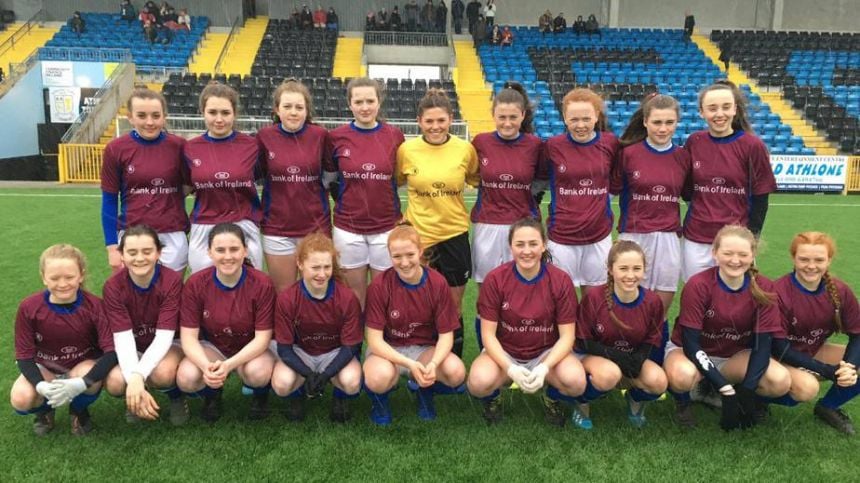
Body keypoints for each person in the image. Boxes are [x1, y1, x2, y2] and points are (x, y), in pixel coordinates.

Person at [664, 225, 791, 430]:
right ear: (715, 253)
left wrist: (748, 389)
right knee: (682, 375)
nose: (735, 260)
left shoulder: (764, 287)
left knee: (780, 381)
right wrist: (724, 387)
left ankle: (715, 388)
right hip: (690, 353)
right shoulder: (699, 285)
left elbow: (763, 346)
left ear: (753, 255)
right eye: (728, 253)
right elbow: (691, 343)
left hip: (733, 357)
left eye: (742, 254)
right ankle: (685, 401)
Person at [467, 218, 586, 426]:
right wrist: (510, 367)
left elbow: (568, 336)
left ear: (544, 245)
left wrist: (545, 367)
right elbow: (487, 335)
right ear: (510, 246)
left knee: (576, 382)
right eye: (519, 244)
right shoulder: (495, 279)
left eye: (533, 244)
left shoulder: (560, 280)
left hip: (545, 352)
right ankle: (495, 396)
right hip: (506, 351)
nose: (527, 251)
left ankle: (551, 396)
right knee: (477, 383)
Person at [397, 89, 479, 358]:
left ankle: (451, 365)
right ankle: (420, 357)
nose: (435, 127)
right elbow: (394, 184)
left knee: (453, 307)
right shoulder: (406, 150)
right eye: (429, 121)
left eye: (441, 120)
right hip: (420, 241)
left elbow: (477, 179)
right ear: (419, 121)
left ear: (451, 119)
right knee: (420, 305)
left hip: (455, 237)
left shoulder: (465, 149)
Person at [362, 224, 466, 425]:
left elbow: (446, 335)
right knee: (377, 377)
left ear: (420, 251)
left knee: (456, 372)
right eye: (397, 256)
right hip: (388, 350)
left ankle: (423, 390)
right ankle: (380, 403)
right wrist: (410, 364)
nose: (404, 262)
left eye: (410, 254)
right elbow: (374, 340)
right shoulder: (379, 286)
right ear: (389, 256)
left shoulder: (437, 283)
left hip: (424, 350)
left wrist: (433, 365)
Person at [11, 245, 117, 436]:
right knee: (21, 398)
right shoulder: (29, 307)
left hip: (80, 367)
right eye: (54, 278)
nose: (62, 284)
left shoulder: (95, 306)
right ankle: (45, 410)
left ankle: (78, 410)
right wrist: (40, 385)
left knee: (91, 376)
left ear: (81, 275)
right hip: (47, 368)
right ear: (43, 277)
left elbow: (112, 352)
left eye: (69, 277)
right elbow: (24, 356)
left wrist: (82, 382)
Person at [176, 223, 276, 422]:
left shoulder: (262, 283)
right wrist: (207, 368)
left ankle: (260, 396)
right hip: (214, 347)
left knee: (258, 373)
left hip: (250, 348)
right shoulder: (195, 284)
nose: (228, 256)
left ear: (245, 250)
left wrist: (228, 365)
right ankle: (212, 395)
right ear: (209, 252)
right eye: (220, 250)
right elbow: (188, 338)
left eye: (234, 249)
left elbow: (263, 338)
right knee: (186, 377)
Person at [470, 82, 542, 346]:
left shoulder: (535, 145)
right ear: (493, 115)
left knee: (526, 294)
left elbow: (541, 181)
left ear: (522, 116)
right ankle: (488, 355)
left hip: (523, 228)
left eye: (513, 117)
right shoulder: (481, 142)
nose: (508, 122)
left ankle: (523, 351)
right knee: (487, 296)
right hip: (487, 227)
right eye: (502, 117)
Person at [681, 80, 776, 281]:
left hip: (735, 241)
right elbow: (687, 191)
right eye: (712, 108)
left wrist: (749, 238)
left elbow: (761, 199)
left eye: (726, 107)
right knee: (695, 294)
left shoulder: (753, 146)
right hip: (696, 238)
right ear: (701, 112)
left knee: (736, 300)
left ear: (735, 109)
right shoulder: (694, 142)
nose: (719, 114)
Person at [325, 78, 405, 309]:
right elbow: (330, 181)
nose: (365, 107)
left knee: (385, 297)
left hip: (386, 228)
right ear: (349, 104)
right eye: (358, 101)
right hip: (348, 230)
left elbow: (397, 178)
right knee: (354, 297)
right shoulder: (336, 137)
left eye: (370, 100)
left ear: (379, 102)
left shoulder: (394, 136)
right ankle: (355, 345)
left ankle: (378, 346)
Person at [772, 232, 860, 434]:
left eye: (819, 260)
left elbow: (857, 333)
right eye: (804, 259)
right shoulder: (779, 291)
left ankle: (828, 407)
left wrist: (849, 368)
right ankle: (756, 399)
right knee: (806, 388)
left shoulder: (839, 291)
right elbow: (778, 346)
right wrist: (827, 371)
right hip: (777, 357)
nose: (811, 266)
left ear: (829, 260)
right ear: (793, 258)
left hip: (812, 351)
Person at [574, 241, 668, 429]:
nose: (630, 275)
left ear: (644, 270)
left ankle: (634, 399)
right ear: (610, 269)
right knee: (609, 374)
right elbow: (583, 340)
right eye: (623, 268)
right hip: (594, 356)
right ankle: (581, 402)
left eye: (636, 268)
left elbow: (652, 338)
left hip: (630, 356)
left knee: (658, 382)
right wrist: (617, 357)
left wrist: (639, 358)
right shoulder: (594, 297)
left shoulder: (652, 301)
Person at [271, 234, 363, 423]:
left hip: (334, 352)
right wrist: (308, 374)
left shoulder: (346, 298)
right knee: (281, 384)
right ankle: (297, 397)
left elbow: (350, 347)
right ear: (300, 264)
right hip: (301, 352)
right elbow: (284, 349)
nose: (322, 274)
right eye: (315, 267)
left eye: (327, 267)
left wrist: (326, 375)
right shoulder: (287, 299)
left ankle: (340, 397)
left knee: (352, 382)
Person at [102, 226, 188, 425]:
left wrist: (138, 375)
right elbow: (122, 337)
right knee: (115, 382)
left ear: (158, 252)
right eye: (132, 252)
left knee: (162, 373)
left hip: (168, 343)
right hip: (134, 344)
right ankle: (135, 398)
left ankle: (176, 397)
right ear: (122, 255)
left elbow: (165, 336)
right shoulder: (113, 286)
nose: (139, 258)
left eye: (147, 251)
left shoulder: (172, 281)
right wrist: (134, 378)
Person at [614, 94, 692, 314]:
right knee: (628, 297)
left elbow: (691, 196)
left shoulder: (682, 157)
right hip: (634, 234)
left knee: (663, 295)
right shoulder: (628, 154)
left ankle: (656, 340)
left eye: (669, 122)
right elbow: (609, 191)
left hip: (668, 236)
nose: (663, 128)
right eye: (657, 122)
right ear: (646, 121)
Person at [101, 88, 188, 273]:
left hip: (172, 233)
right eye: (142, 115)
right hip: (132, 235)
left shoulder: (179, 146)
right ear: (130, 117)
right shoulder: (115, 149)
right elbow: (109, 201)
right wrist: (111, 246)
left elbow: (193, 184)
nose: (150, 122)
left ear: (164, 117)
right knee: (134, 299)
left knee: (171, 297)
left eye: (156, 116)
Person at [256, 80, 331, 292]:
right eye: (287, 106)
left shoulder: (320, 136)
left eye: (299, 107)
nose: (293, 112)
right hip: (277, 229)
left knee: (318, 289)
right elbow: (257, 174)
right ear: (277, 110)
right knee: (284, 293)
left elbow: (329, 175)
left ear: (307, 110)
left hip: (316, 227)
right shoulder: (264, 137)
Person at [183, 83, 263, 274]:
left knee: (248, 287)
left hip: (244, 225)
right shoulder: (189, 148)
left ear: (234, 113)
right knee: (203, 289)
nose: (219, 119)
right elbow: (182, 190)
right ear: (203, 112)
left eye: (225, 113)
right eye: (212, 112)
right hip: (204, 226)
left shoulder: (252, 146)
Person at [543, 88, 620, 288]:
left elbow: (618, 180)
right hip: (561, 236)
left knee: (596, 302)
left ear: (596, 116)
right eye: (574, 119)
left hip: (599, 236)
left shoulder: (610, 143)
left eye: (586, 119)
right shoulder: (552, 146)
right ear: (564, 118)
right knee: (562, 300)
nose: (580, 125)